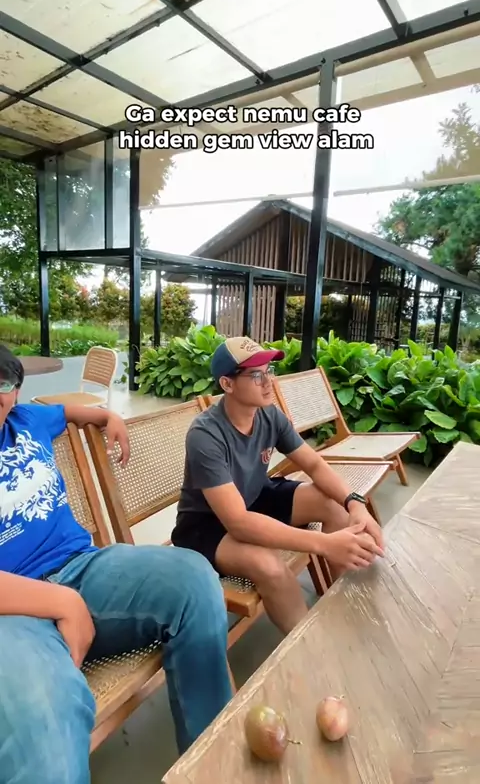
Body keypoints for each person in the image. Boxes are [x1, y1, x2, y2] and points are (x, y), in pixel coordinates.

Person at [0, 345, 233, 784]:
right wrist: (62, 602)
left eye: (3, 384)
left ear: (15, 392)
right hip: (12, 615)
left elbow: (69, 410)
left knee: (194, 580)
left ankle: (213, 767)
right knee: (42, 720)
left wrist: (109, 417)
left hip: (81, 568)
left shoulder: (28, 419)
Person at [172, 336, 385, 636]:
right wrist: (324, 544)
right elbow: (238, 522)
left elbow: (313, 464)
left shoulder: (268, 414)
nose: (268, 382)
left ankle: (345, 606)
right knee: (269, 567)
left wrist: (354, 503)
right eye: (256, 375)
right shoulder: (205, 435)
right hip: (206, 525)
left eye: (269, 371)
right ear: (227, 384)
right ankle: (311, 646)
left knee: (333, 506)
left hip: (255, 496)